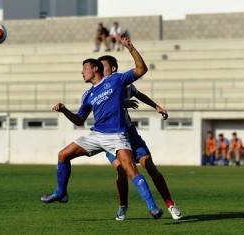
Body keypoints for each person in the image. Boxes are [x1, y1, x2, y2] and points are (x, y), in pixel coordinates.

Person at [41, 33, 163, 219]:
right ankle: (61, 192)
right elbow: (79, 120)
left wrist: (130, 47)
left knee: (130, 170)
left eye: (85, 68)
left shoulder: (115, 80)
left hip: (117, 135)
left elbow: (141, 69)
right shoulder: (88, 95)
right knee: (63, 155)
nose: (82, 72)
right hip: (97, 135)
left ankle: (152, 207)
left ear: (95, 68)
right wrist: (65, 110)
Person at [97, 55, 182, 221]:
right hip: (111, 136)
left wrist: (156, 106)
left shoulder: (123, 83)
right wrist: (123, 103)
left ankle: (170, 204)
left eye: (103, 67)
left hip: (130, 134)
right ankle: (123, 205)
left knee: (149, 165)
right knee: (122, 171)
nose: (100, 71)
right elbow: (102, 106)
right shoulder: (99, 88)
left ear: (113, 69)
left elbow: (138, 94)